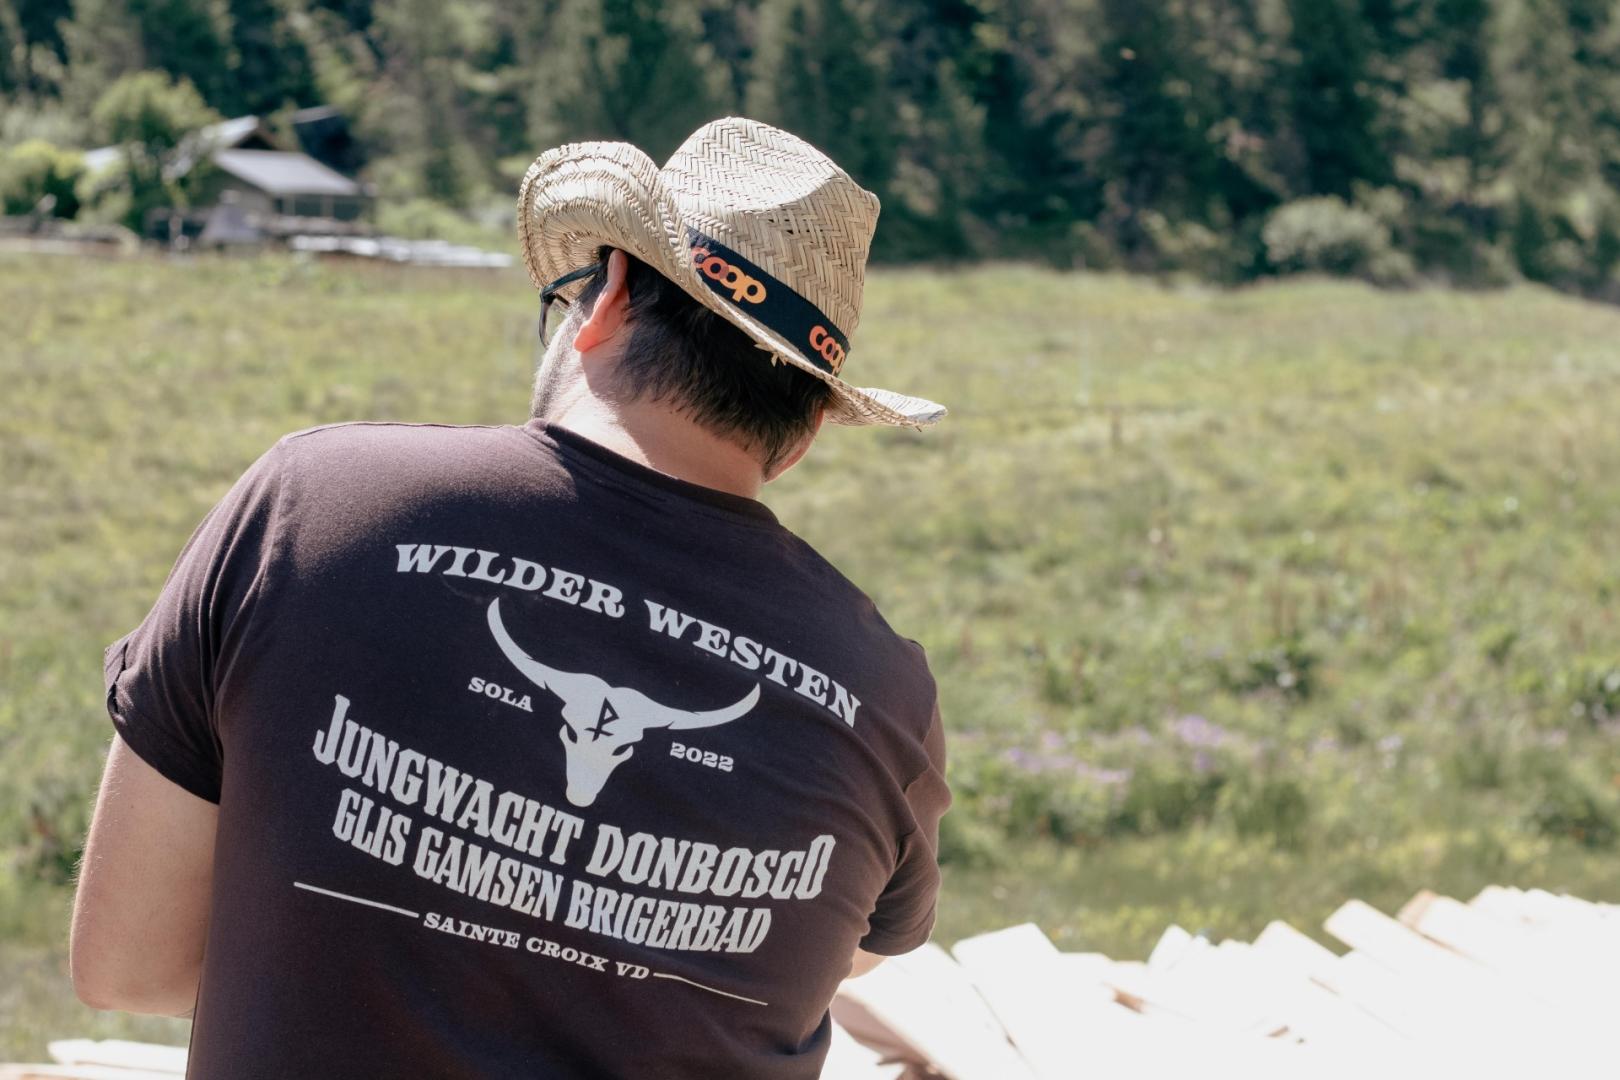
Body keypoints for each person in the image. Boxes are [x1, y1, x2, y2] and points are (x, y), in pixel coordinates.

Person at [70, 117, 951, 1078]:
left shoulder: (314, 504)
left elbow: (127, 962)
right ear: (810, 424)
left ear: (607, 298)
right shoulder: (883, 692)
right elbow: (830, 961)